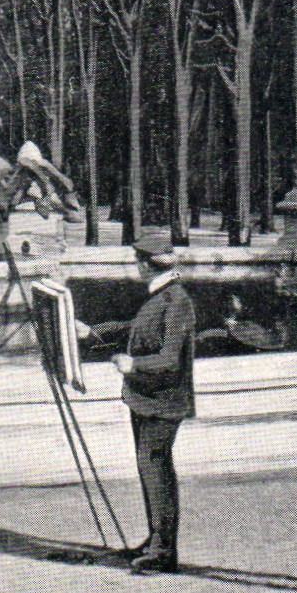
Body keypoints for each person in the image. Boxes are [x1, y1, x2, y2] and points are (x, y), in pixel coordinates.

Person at [85, 233, 196, 574]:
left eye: (137, 262)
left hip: (163, 401)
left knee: (157, 471)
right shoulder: (161, 297)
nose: (136, 267)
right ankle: (155, 541)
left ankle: (164, 550)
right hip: (147, 399)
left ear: (146, 264)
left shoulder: (176, 302)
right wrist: (90, 333)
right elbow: (133, 328)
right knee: (151, 470)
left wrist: (134, 365)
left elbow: (170, 359)